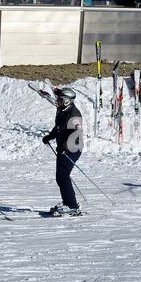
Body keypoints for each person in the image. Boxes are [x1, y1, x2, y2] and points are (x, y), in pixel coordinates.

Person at [42, 86, 84, 216]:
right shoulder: (62, 111)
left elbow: (76, 134)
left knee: (63, 176)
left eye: (60, 99)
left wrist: (67, 148)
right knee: (60, 177)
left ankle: (71, 205)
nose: (58, 101)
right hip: (63, 149)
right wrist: (49, 136)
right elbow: (58, 128)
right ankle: (68, 202)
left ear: (67, 101)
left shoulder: (74, 114)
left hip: (72, 149)